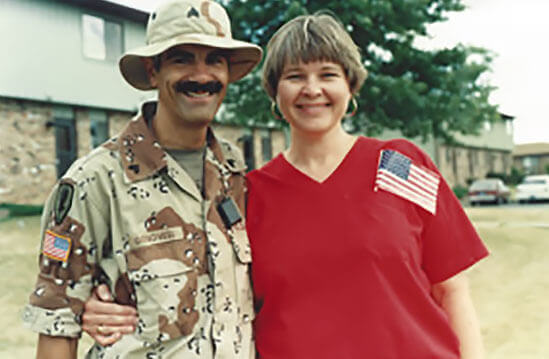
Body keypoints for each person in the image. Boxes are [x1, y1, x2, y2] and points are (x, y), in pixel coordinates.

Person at [83, 12, 488, 359]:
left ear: (351, 86)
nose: (312, 89)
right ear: (275, 94)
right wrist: (102, 306)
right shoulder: (244, 193)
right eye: (295, 76)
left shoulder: (399, 164)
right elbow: (192, 284)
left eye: (328, 74)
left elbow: (452, 291)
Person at [22, 0, 262, 358]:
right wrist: (84, 308)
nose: (202, 75)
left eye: (215, 59)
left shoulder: (234, 171)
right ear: (153, 72)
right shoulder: (95, 182)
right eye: (182, 58)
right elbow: (57, 324)